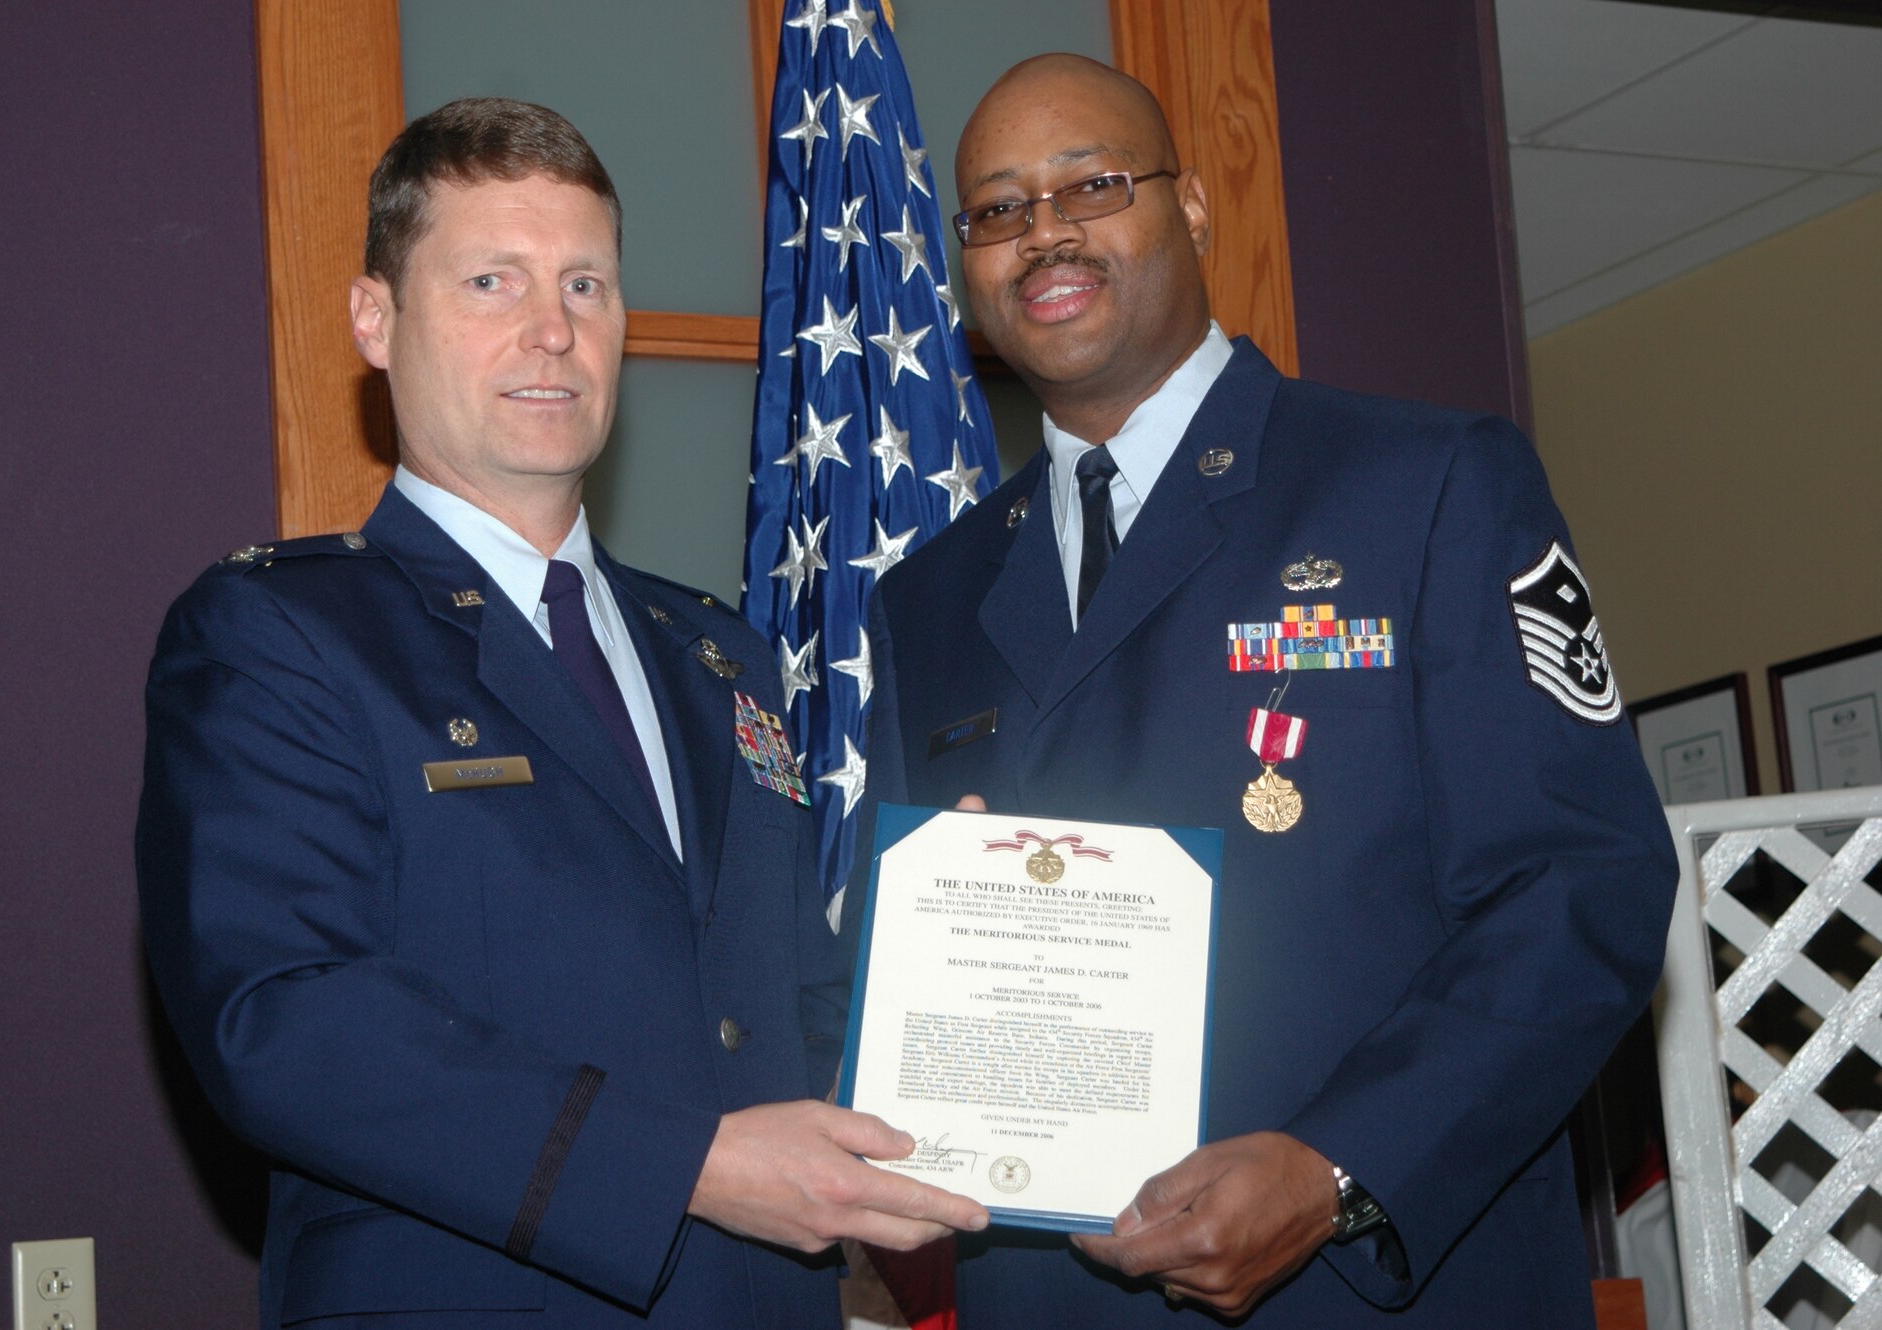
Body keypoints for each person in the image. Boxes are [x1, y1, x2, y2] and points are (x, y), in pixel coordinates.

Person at [137, 97, 985, 1330]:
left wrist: (959, 947)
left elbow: (788, 1006)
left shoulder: (719, 654)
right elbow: (285, 1024)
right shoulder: (281, 637)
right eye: (491, 280)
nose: (551, 330)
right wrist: (686, 1167)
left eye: (586, 285)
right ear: (376, 321)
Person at [858, 55, 1676, 1326]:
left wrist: (1335, 1167)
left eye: (1092, 183)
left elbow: (1584, 884)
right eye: (997, 209)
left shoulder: (1427, 485)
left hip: (1376, 1280)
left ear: (1188, 210)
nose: (1044, 233)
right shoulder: (925, 598)